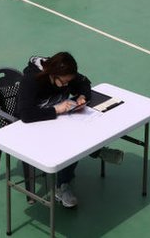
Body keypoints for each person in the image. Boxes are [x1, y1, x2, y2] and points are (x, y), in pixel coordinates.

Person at [16, 52, 125, 208]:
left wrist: (82, 97)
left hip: (57, 119)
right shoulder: (32, 80)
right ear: (53, 75)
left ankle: (95, 152)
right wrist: (56, 110)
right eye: (64, 82)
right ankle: (64, 184)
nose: (67, 85)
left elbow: (84, 83)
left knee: (83, 127)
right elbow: (25, 114)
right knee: (70, 142)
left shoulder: (64, 74)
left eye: (69, 81)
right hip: (34, 124)